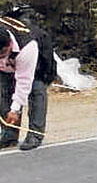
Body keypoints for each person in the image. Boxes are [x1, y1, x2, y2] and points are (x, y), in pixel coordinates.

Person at [0, 15, 57, 150]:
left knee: (36, 90)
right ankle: (9, 135)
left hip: (38, 58)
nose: (1, 59)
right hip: (11, 64)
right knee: (3, 91)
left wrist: (15, 109)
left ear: (9, 45)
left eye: (2, 54)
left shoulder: (27, 47)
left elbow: (24, 82)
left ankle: (35, 134)